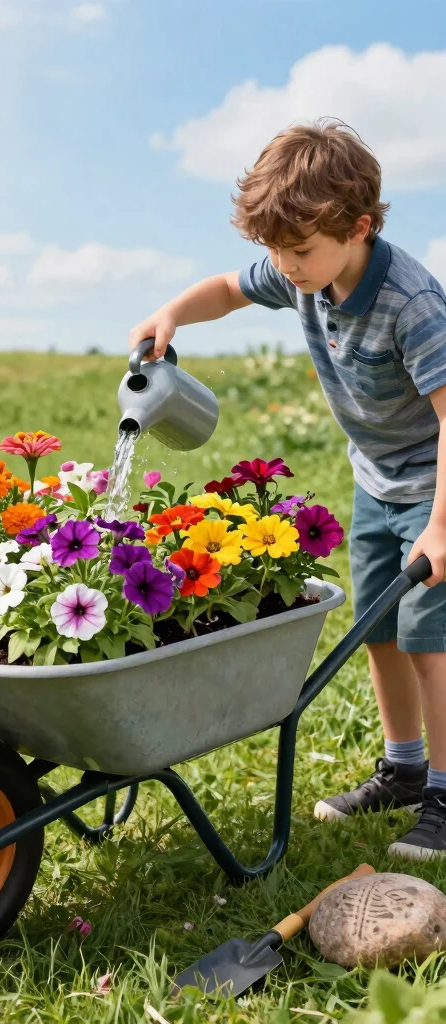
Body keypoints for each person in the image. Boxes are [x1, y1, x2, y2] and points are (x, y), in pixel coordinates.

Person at [129, 119, 446, 860]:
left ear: (360, 226)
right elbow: (227, 290)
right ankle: (402, 770)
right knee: (376, 631)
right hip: (376, 482)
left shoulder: (413, 302)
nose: (285, 266)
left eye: (299, 251)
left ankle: (444, 790)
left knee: (432, 640)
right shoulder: (300, 265)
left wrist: (442, 526)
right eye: (275, 250)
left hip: (436, 490)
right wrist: (174, 313)